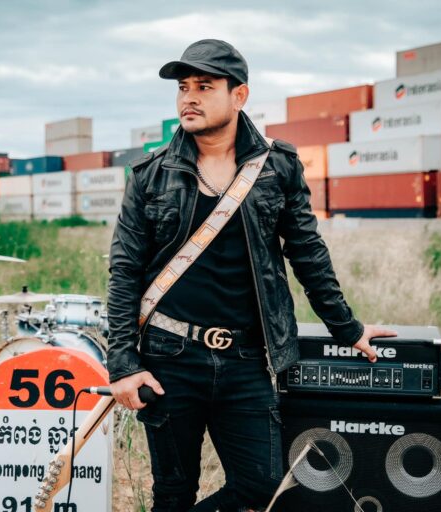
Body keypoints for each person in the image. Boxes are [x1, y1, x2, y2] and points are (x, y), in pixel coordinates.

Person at [106, 39, 396, 512]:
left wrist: (347, 328)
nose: (188, 98)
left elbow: (307, 253)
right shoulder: (149, 175)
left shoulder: (278, 167)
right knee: (173, 494)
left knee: (264, 489)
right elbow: (124, 272)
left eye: (204, 86)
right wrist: (123, 362)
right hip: (168, 356)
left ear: (239, 95)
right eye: (183, 87)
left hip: (245, 357)